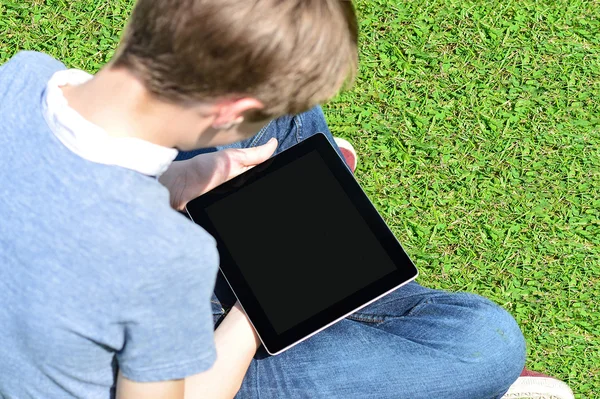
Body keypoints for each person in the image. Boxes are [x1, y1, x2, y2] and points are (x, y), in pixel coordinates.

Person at [0, 0, 572, 398]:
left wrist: (185, 178)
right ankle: (328, 298)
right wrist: (264, 305)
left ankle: (330, 271)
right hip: (166, 365)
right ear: (227, 111)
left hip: (95, 286)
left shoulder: (25, 77)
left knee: (292, 117)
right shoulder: (164, 258)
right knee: (484, 346)